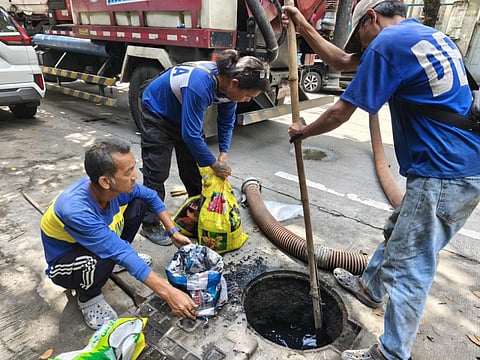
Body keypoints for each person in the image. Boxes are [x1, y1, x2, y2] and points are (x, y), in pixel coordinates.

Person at [282, 1, 480, 359]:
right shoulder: (423, 36)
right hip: (461, 165)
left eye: (358, 35)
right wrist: (302, 24)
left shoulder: (388, 44)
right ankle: (371, 287)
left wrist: (303, 132)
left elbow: (341, 112)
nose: (359, 46)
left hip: (442, 172)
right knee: (398, 231)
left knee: (411, 266)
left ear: (370, 18)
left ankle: (389, 353)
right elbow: (342, 61)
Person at [40, 138, 198, 330]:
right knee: (103, 256)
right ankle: (89, 297)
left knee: (139, 203)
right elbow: (118, 250)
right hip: (65, 262)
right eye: (128, 172)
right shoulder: (75, 210)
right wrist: (169, 293)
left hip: (96, 243)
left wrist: (173, 231)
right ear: (106, 181)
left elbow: (150, 196)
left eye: (133, 169)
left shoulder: (115, 189)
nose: (135, 177)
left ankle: (110, 265)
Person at [139, 49, 271, 245]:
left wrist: (223, 155)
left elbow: (226, 122)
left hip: (182, 114)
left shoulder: (229, 88)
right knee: (156, 171)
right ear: (235, 84)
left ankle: (197, 214)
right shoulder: (200, 83)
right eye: (248, 96)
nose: (248, 100)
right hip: (157, 112)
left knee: (195, 171)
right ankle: (149, 224)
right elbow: (190, 135)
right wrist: (213, 164)